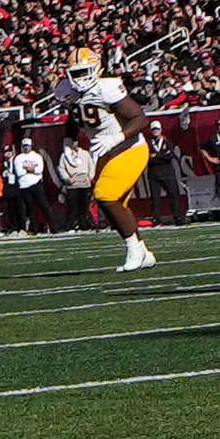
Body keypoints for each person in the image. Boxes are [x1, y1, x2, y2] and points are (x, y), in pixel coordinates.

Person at [54, 47, 157, 273]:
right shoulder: (64, 90)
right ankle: (143, 253)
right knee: (114, 206)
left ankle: (134, 250)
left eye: (85, 72)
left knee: (105, 196)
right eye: (77, 73)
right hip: (105, 152)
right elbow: (73, 118)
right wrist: (69, 141)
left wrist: (116, 137)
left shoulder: (107, 87)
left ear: (97, 68)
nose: (81, 78)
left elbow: (140, 118)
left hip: (129, 148)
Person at [54, 127, 96, 233]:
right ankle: (70, 225)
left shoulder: (85, 153)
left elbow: (91, 166)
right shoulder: (64, 156)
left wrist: (89, 177)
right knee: (73, 206)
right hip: (72, 183)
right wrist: (67, 179)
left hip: (85, 182)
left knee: (85, 205)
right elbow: (61, 168)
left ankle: (86, 224)